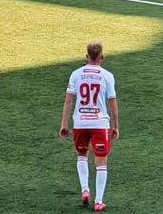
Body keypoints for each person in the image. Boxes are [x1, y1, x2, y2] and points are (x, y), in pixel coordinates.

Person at [59, 41, 118, 212]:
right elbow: (112, 103)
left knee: (82, 155)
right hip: (100, 123)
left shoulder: (76, 74)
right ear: (102, 56)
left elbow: (68, 101)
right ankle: (98, 201)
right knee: (101, 163)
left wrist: (64, 123)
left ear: (87, 56)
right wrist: (115, 126)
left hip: (80, 123)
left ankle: (85, 189)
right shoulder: (107, 75)